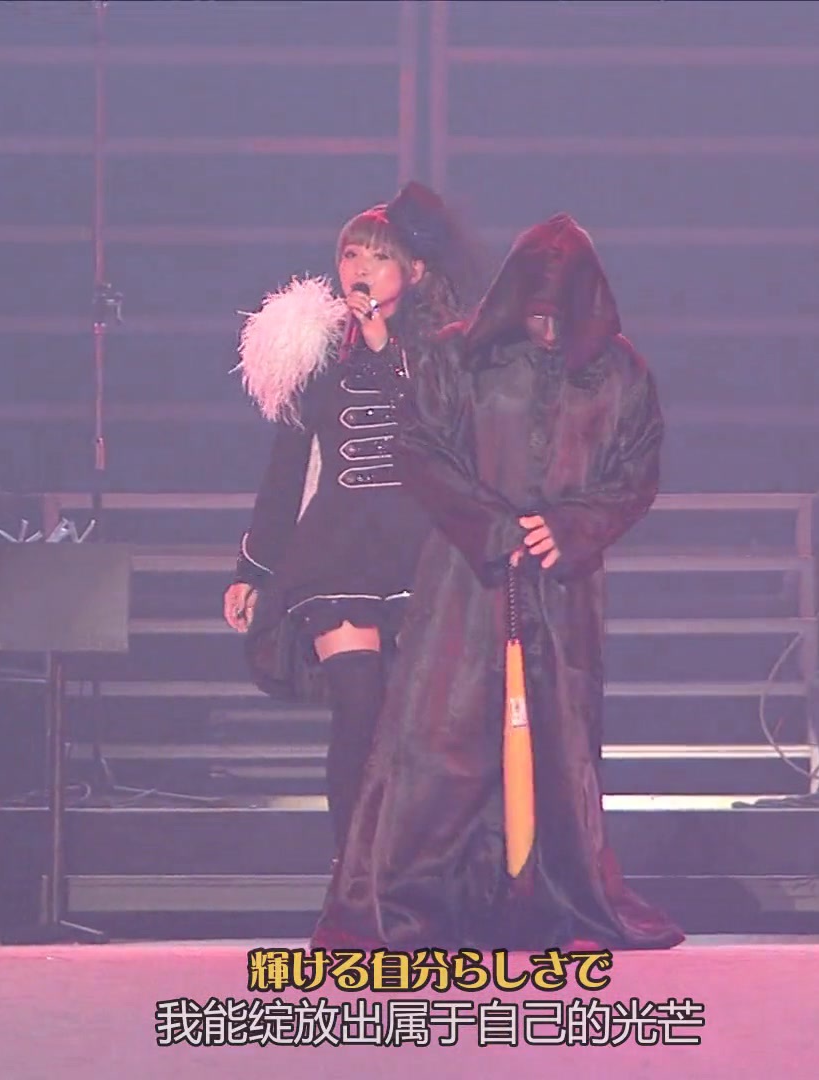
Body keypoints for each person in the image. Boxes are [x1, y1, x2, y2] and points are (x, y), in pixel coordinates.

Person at [313, 213, 685, 952]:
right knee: (441, 740)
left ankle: (546, 898)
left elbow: (636, 472)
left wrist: (571, 527)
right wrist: (493, 528)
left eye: (559, 312)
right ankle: (419, 900)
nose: (546, 327)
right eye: (535, 311)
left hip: (562, 584)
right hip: (465, 576)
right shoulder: (462, 356)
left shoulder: (619, 372)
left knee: (557, 743)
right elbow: (421, 449)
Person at [223, 181, 479, 859]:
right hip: (336, 552)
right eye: (350, 255)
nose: (360, 268)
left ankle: (413, 865)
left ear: (413, 271)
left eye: (378, 256)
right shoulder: (314, 352)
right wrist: (252, 567)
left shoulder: (442, 352)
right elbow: (286, 470)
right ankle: (351, 869)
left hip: (419, 552)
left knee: (416, 721)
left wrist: (384, 344)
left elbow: (447, 430)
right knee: (358, 705)